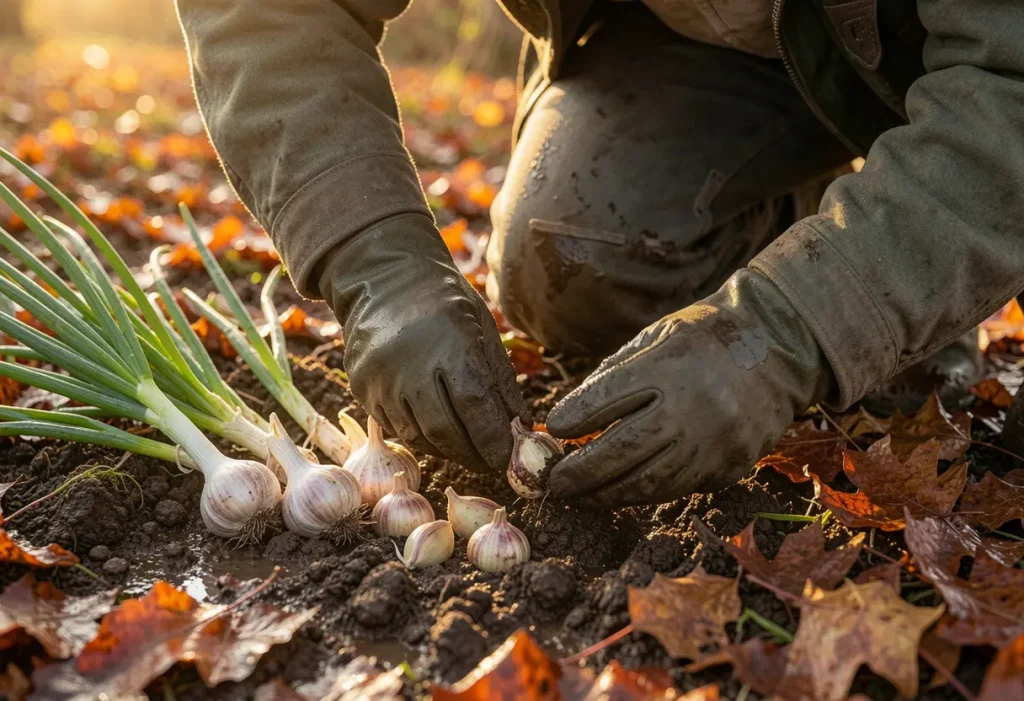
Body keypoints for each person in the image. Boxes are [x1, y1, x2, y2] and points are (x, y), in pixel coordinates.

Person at [176, 0, 1023, 508]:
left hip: (977, 60)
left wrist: (789, 328)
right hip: (712, 45)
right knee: (569, 252)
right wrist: (377, 264)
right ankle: (870, 245)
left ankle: (911, 259)